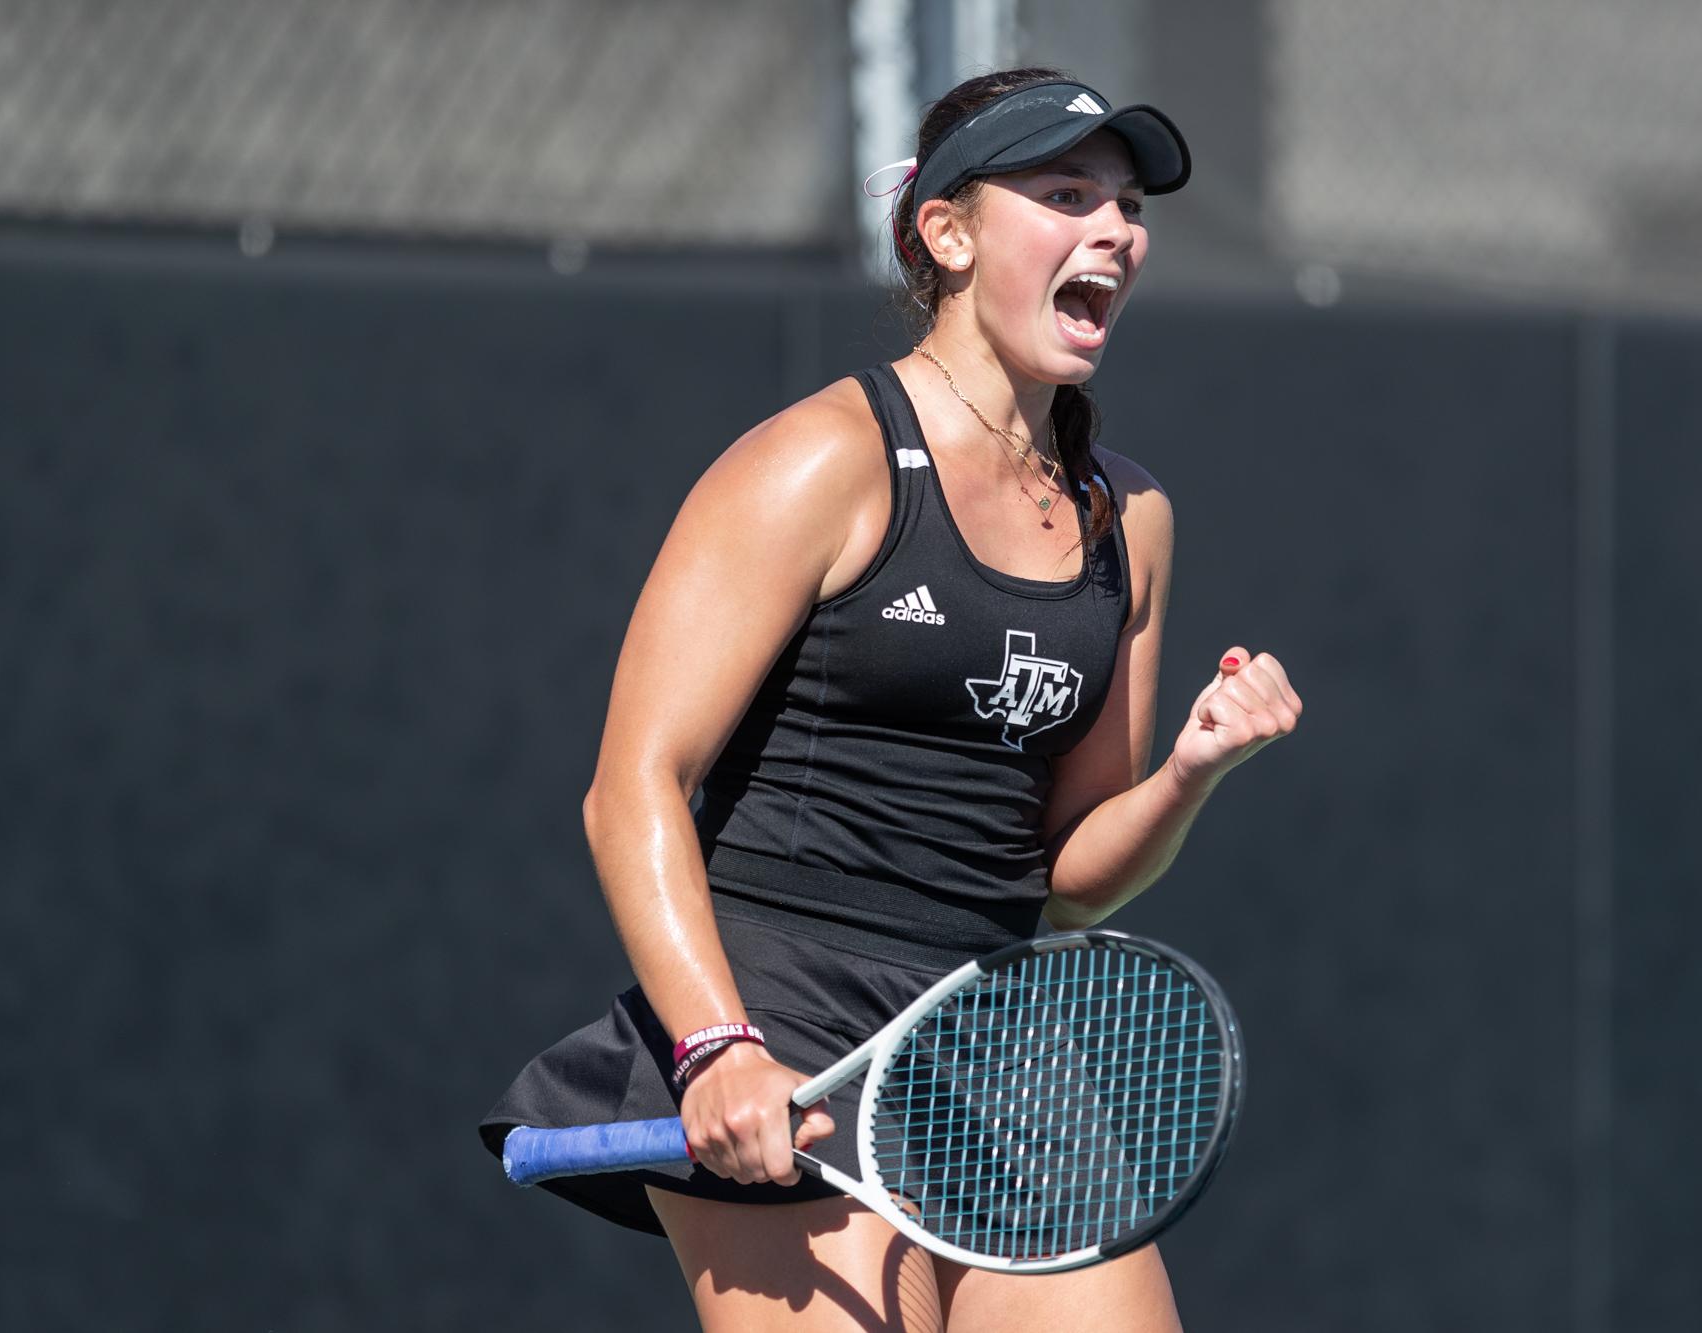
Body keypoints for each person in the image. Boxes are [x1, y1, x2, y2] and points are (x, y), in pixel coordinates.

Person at [483, 69, 1301, 1332]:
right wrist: (715, 1047)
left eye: (1127, 207)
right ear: (949, 233)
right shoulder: (820, 460)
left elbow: (1068, 872)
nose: (1114, 234)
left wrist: (1189, 770)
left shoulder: (1129, 517)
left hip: (989, 1035)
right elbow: (631, 784)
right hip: (779, 1017)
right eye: (1066, 193)